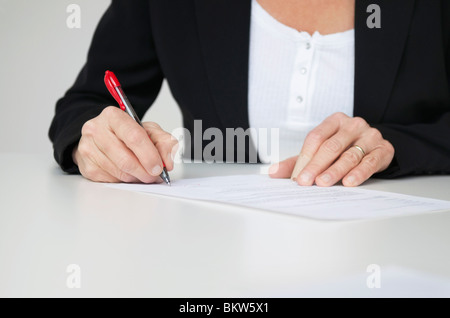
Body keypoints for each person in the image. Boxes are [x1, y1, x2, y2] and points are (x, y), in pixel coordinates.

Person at [49, 0, 450, 187]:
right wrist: (96, 140)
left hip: (400, 247)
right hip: (214, 258)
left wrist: (393, 147)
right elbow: (86, 104)